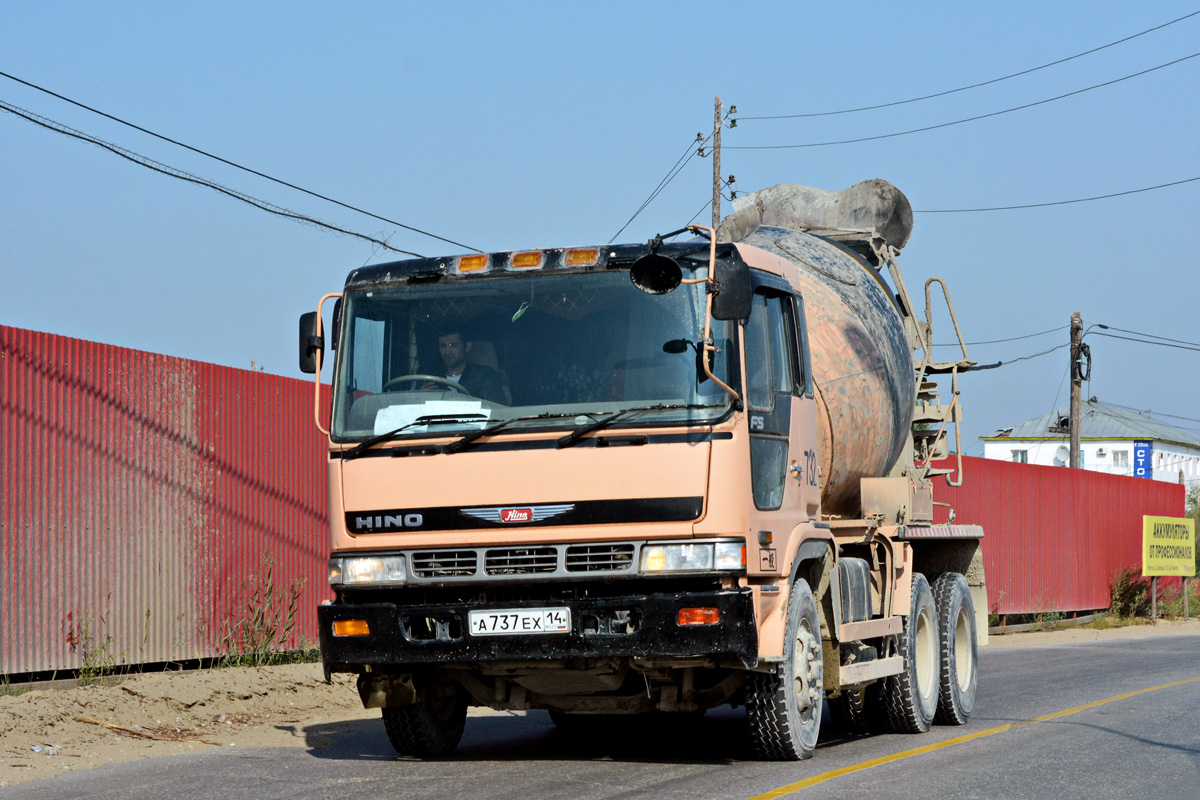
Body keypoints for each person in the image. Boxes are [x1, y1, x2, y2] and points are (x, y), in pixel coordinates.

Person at [422, 329, 507, 403]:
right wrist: (420, 397)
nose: (447, 352)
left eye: (453, 345)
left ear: (467, 347)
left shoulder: (484, 375)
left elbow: (497, 407)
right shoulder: (433, 378)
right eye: (443, 346)